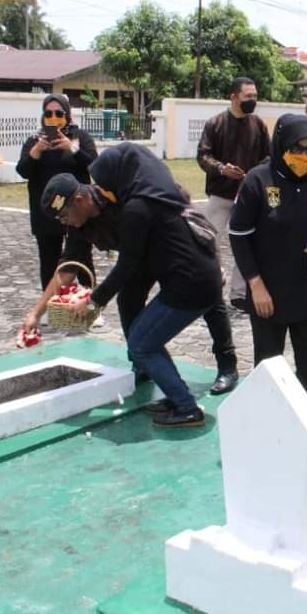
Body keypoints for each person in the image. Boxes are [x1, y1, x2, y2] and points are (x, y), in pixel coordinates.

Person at [38, 143, 235, 427]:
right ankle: (175, 394)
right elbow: (80, 264)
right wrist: (38, 312)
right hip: (186, 280)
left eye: (104, 179)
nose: (102, 187)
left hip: (190, 283)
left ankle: (187, 407)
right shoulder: (148, 198)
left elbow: (126, 266)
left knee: (142, 344)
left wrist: (93, 300)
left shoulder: (137, 208)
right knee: (144, 336)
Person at [229, 114, 307, 451]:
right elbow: (238, 235)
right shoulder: (257, 180)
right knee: (269, 366)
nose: (305, 156)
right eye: (298, 149)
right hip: (269, 294)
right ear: (282, 146)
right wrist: (256, 285)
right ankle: (268, 431)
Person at [196, 76, 271, 310]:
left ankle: (239, 295)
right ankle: (210, 289)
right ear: (234, 97)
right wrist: (221, 168)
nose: (253, 100)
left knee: (248, 244)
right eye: (248, 96)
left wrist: (255, 174)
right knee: (208, 243)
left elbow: (269, 156)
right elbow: (203, 156)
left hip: (248, 197)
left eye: (255, 97)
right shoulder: (215, 123)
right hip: (220, 195)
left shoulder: (258, 124)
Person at [16, 94, 98, 290]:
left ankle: (90, 304)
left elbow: (94, 165)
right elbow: (23, 171)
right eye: (48, 113)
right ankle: (52, 303)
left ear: (67, 114)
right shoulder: (35, 140)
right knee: (48, 258)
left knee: (82, 255)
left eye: (58, 113)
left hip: (77, 208)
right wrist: (36, 152)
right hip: (45, 211)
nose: (53, 117)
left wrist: (72, 149)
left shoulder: (80, 137)